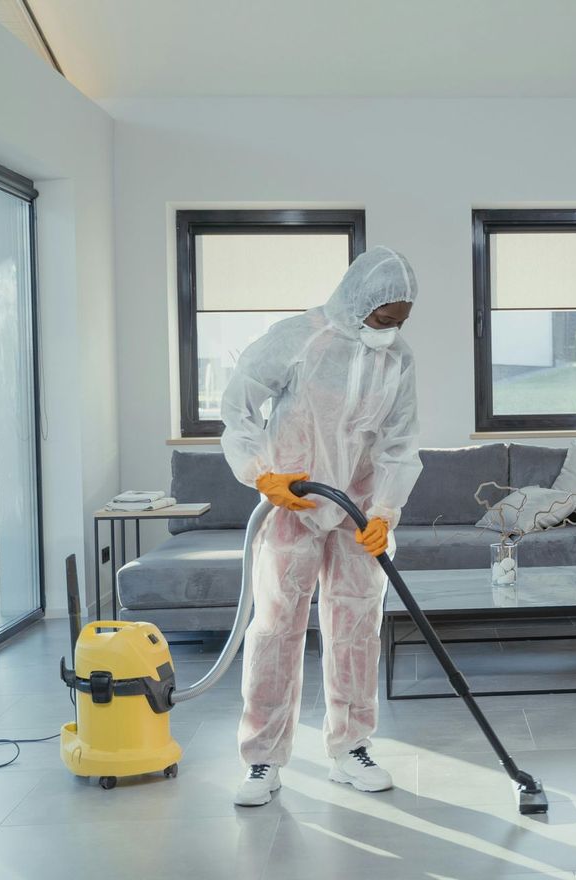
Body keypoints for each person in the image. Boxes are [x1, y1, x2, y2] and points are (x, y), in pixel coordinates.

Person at [220, 246, 422, 806]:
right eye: (384, 320)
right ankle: (262, 759)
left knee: (358, 626)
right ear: (360, 302)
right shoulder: (298, 338)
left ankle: (350, 748)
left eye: (400, 322)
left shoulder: (397, 357)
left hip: (357, 508)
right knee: (276, 628)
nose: (391, 331)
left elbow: (400, 442)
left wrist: (385, 511)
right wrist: (263, 475)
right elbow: (236, 406)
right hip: (295, 503)